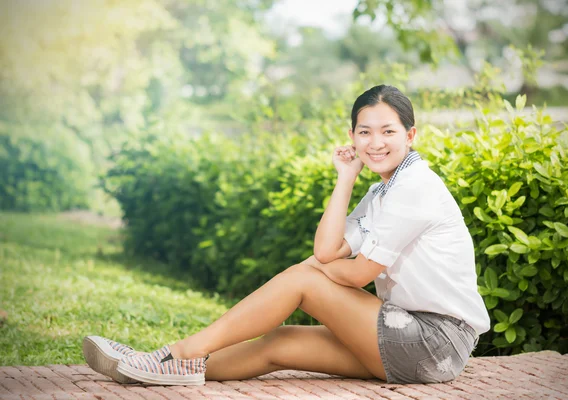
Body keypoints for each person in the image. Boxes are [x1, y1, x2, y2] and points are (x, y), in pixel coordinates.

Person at [83, 84, 490, 386]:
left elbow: (356, 275)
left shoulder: (415, 186)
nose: (375, 142)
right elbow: (328, 249)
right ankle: (152, 370)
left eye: (387, 131)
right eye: (364, 132)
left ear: (410, 135)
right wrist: (345, 178)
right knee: (280, 344)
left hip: (435, 341)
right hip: (408, 340)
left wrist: (306, 276)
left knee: (303, 278)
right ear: (352, 137)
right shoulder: (382, 189)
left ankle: (179, 351)